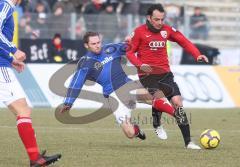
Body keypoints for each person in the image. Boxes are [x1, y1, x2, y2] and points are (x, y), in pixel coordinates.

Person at [60, 32, 178, 141]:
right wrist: (69, 102)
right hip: (114, 96)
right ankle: (137, 131)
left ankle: (171, 117)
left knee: (155, 95)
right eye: (93, 44)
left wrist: (132, 41)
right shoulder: (85, 63)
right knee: (130, 133)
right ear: (86, 45)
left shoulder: (111, 49)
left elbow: (131, 47)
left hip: (128, 85)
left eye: (98, 42)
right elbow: (76, 83)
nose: (97, 45)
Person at [126, 4, 208, 149]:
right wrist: (140, 65)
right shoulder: (139, 32)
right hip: (147, 74)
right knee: (160, 99)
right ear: (149, 18)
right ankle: (158, 123)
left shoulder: (166, 30)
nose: (160, 22)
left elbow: (184, 41)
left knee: (177, 102)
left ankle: (188, 142)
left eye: (162, 19)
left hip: (165, 73)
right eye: (156, 19)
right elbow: (130, 53)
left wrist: (197, 54)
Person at [0, 0, 61, 166]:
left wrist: (10, 60)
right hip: (0, 69)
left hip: (3, 64)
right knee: (23, 109)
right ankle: (35, 158)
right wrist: (13, 50)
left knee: (23, 109)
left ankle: (35, 158)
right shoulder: (4, 5)